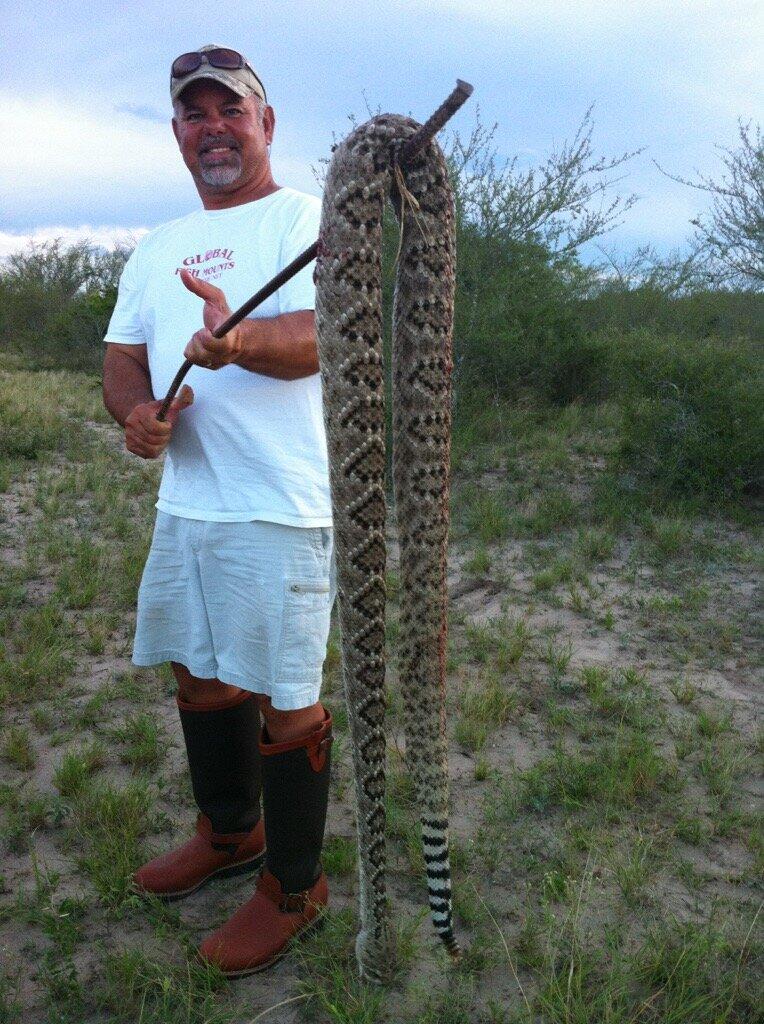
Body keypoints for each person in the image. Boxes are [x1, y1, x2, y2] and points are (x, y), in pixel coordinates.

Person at [102, 45, 334, 976]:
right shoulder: (157, 246)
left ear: (266, 123)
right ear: (176, 136)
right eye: (194, 115)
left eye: (229, 110)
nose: (213, 128)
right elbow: (124, 356)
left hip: (281, 505)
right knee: (200, 677)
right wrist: (136, 416)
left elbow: (326, 333)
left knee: (285, 700)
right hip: (189, 505)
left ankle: (294, 886)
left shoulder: (308, 221)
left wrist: (240, 339)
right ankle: (232, 833)